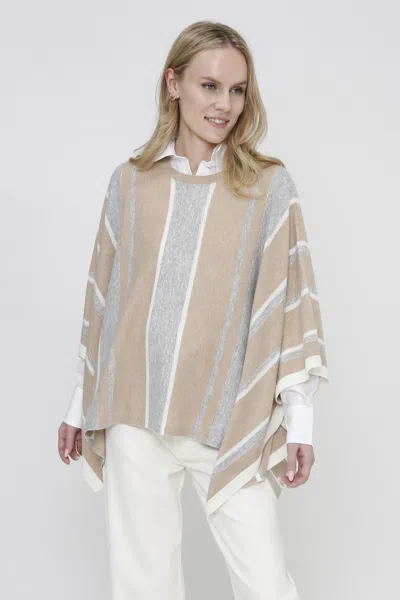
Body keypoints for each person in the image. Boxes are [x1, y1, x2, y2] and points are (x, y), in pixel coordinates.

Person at [57, 20, 328, 600]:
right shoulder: (130, 183)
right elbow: (105, 300)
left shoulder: (268, 187)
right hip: (135, 409)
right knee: (143, 582)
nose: (224, 104)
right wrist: (80, 406)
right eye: (209, 86)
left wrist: (299, 421)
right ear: (173, 83)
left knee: (265, 582)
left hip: (227, 414)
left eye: (237, 90)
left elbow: (291, 305)